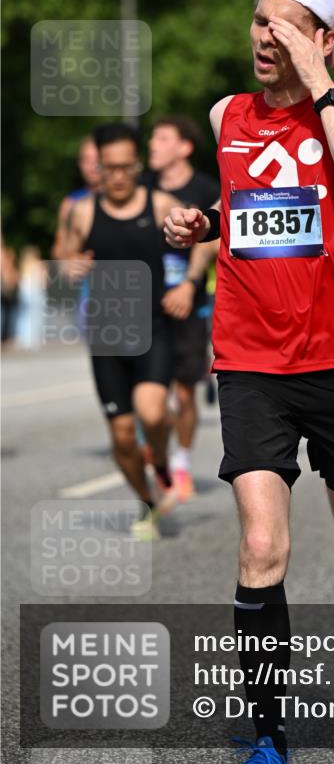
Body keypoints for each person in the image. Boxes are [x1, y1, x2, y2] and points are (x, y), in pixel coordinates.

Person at [165, 0, 334, 764]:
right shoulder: (224, 114)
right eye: (257, 20)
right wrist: (201, 223)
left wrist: (322, 86)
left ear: (324, 39)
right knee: (260, 548)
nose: (263, 36)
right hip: (251, 362)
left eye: (283, 24)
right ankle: (269, 730)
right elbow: (255, 206)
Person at [62, 123, 210, 541]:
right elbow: (63, 251)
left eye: (127, 167)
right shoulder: (84, 211)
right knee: (123, 436)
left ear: (136, 166)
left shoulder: (160, 201)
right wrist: (70, 265)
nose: (119, 176)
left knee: (152, 413)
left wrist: (188, 284)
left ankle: (162, 465)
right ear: (99, 169)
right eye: (110, 168)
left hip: (152, 328)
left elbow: (203, 240)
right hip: (107, 335)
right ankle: (146, 501)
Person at [147, 115, 219, 500]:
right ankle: (155, 444)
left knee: (185, 392)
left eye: (161, 139)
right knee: (148, 397)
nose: (152, 145)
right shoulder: (143, 188)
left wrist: (190, 285)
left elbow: (209, 241)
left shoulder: (207, 188)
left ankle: (183, 463)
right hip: (145, 304)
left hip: (188, 303)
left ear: (184, 148)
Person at [51, 136, 101, 259]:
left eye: (97, 159)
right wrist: (71, 259)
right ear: (79, 164)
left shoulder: (122, 199)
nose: (92, 166)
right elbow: (58, 250)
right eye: (86, 160)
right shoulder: (70, 203)